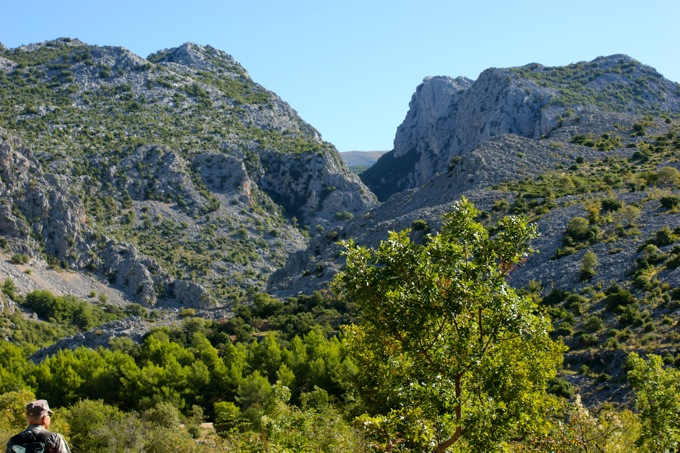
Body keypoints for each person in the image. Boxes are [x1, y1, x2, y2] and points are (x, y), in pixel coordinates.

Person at [5, 399, 71, 453]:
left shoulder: (13, 441)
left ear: (28, 419)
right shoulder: (54, 438)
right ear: (45, 418)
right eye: (49, 415)